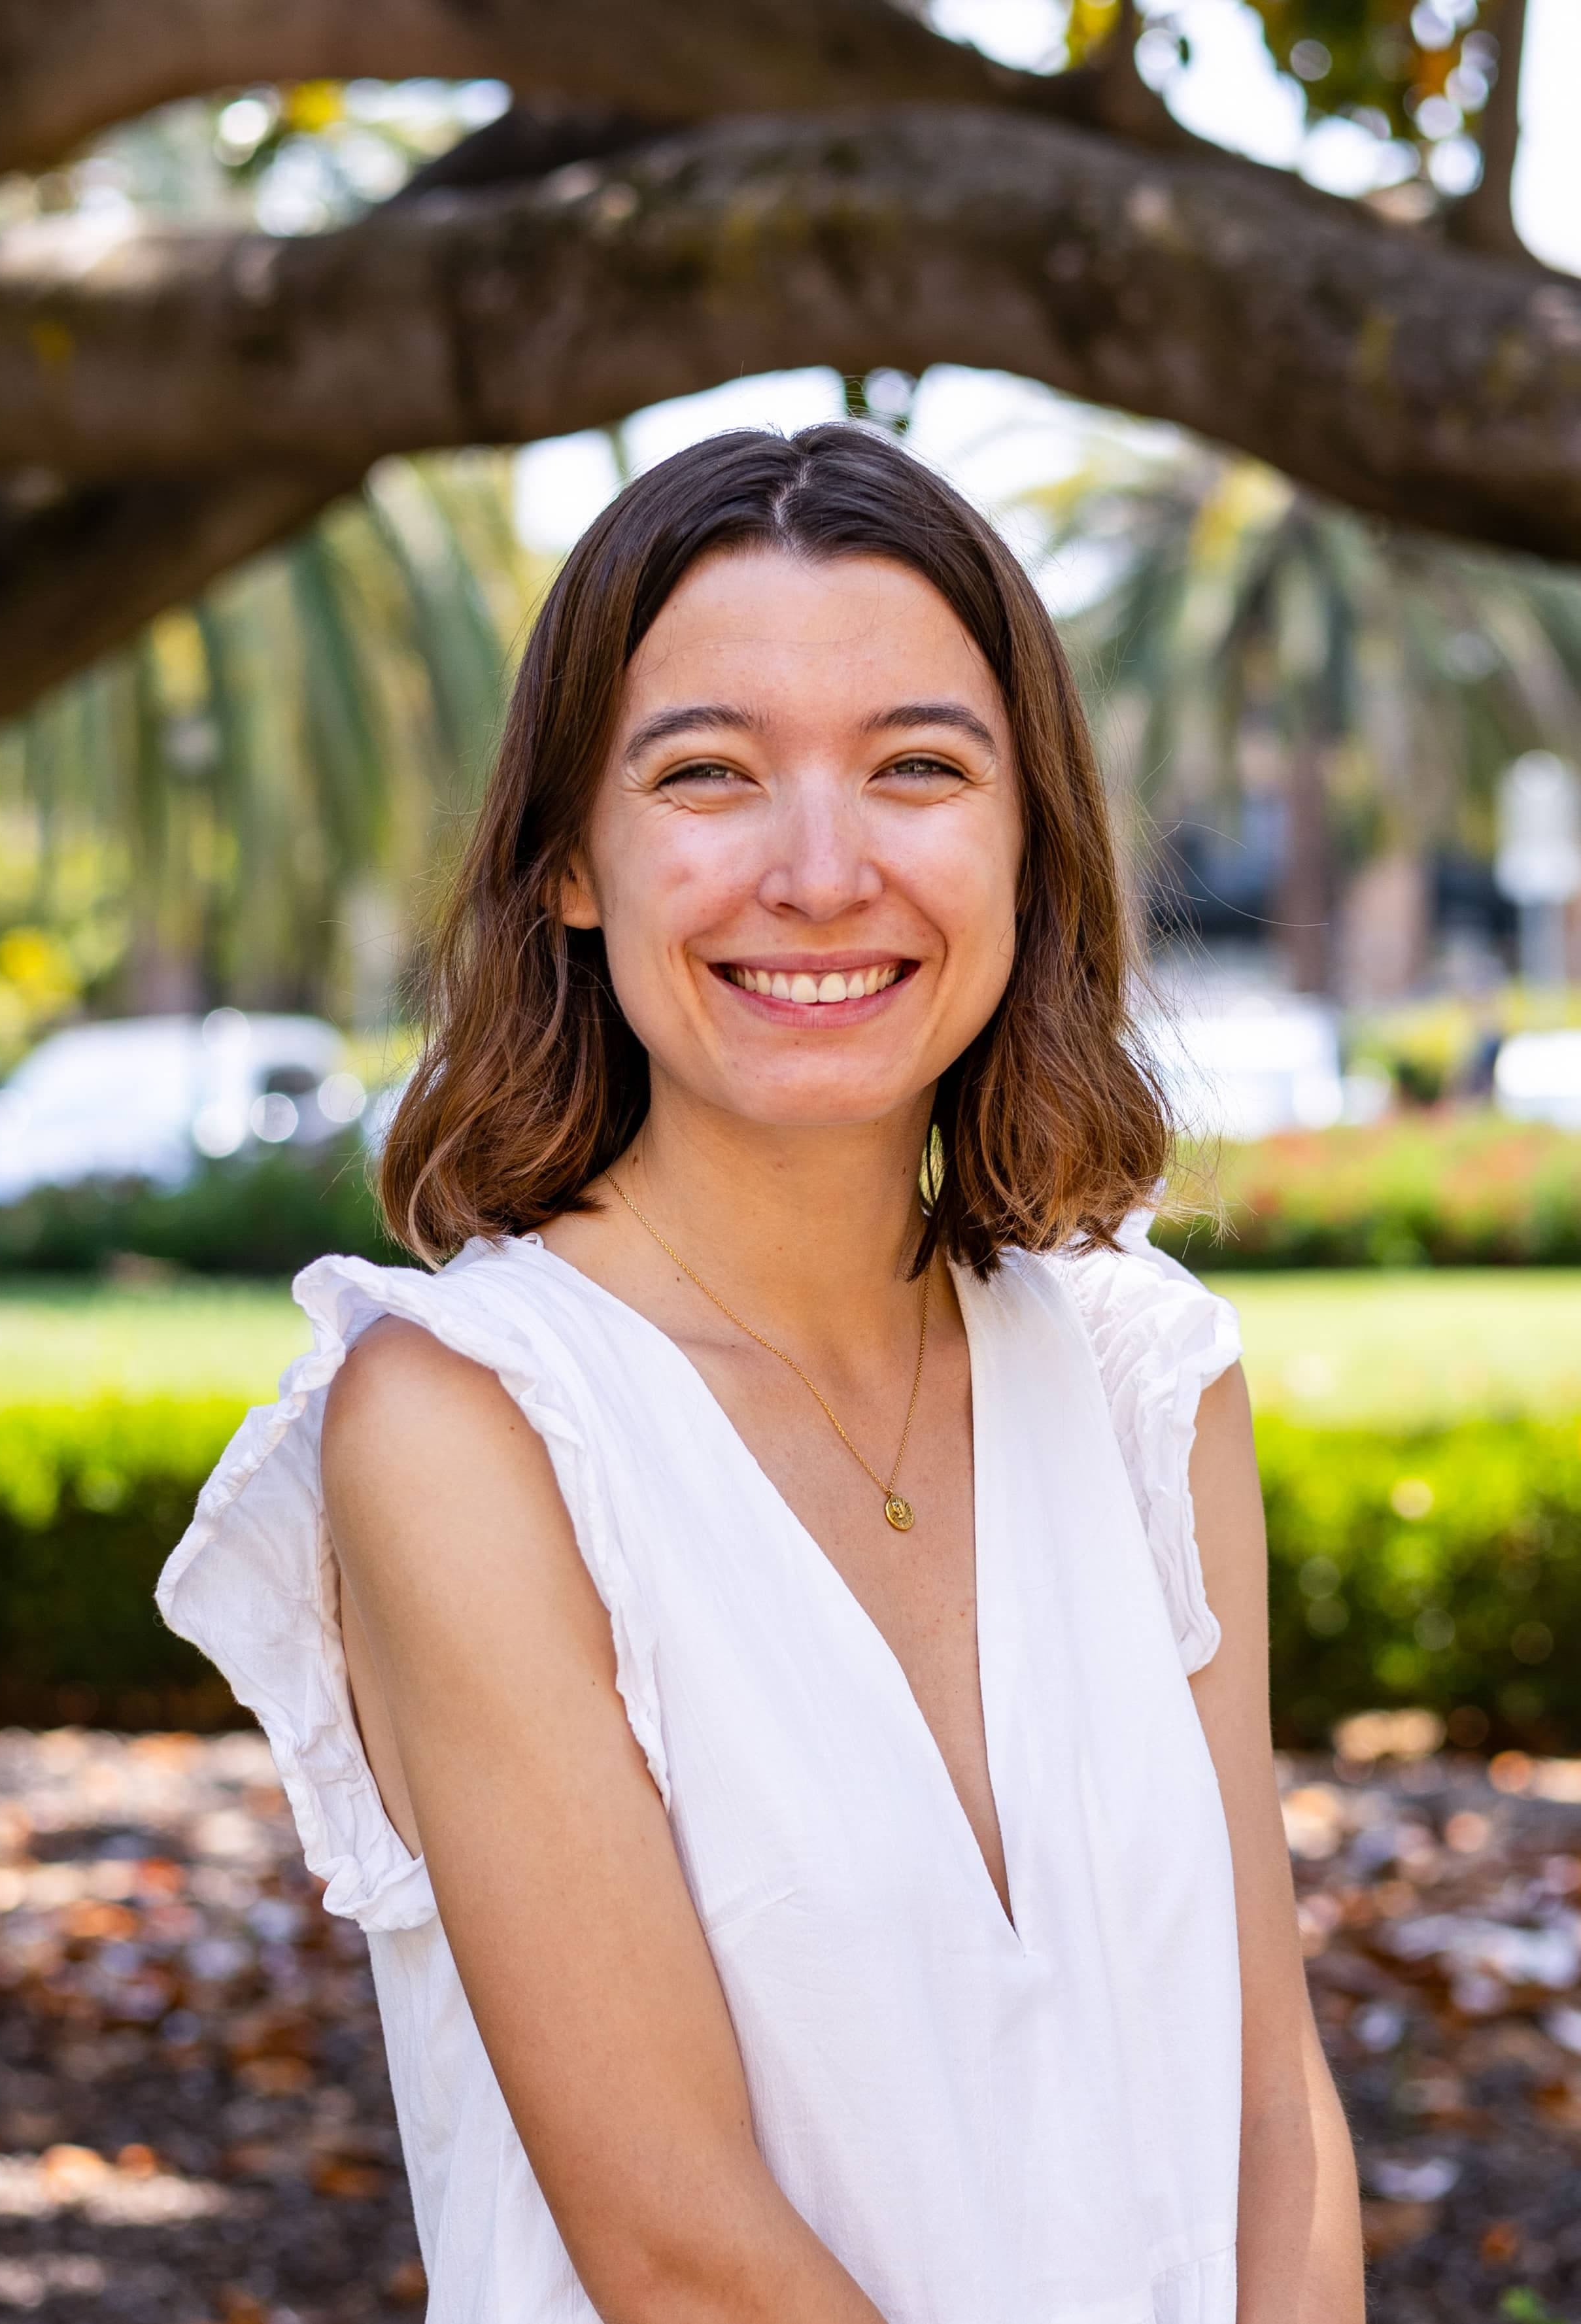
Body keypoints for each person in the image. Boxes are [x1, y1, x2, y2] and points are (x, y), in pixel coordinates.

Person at [159, 424, 1365, 2323]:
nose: (822, 870)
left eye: (918, 768)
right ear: (570, 857)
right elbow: (687, 2256)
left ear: (1030, 834)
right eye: (709, 773)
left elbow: (1271, 2114)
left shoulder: (1148, 1377)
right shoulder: (466, 1425)